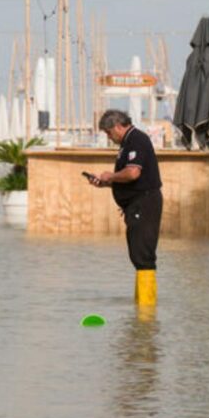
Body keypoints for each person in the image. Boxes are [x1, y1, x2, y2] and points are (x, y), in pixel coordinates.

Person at [87, 109, 163, 306]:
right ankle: (141, 311)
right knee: (138, 254)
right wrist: (105, 183)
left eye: (108, 133)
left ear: (118, 126)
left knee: (143, 254)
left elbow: (133, 173)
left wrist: (110, 176)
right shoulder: (128, 143)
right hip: (136, 204)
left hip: (144, 203)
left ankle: (146, 313)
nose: (109, 137)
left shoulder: (136, 140)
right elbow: (129, 179)